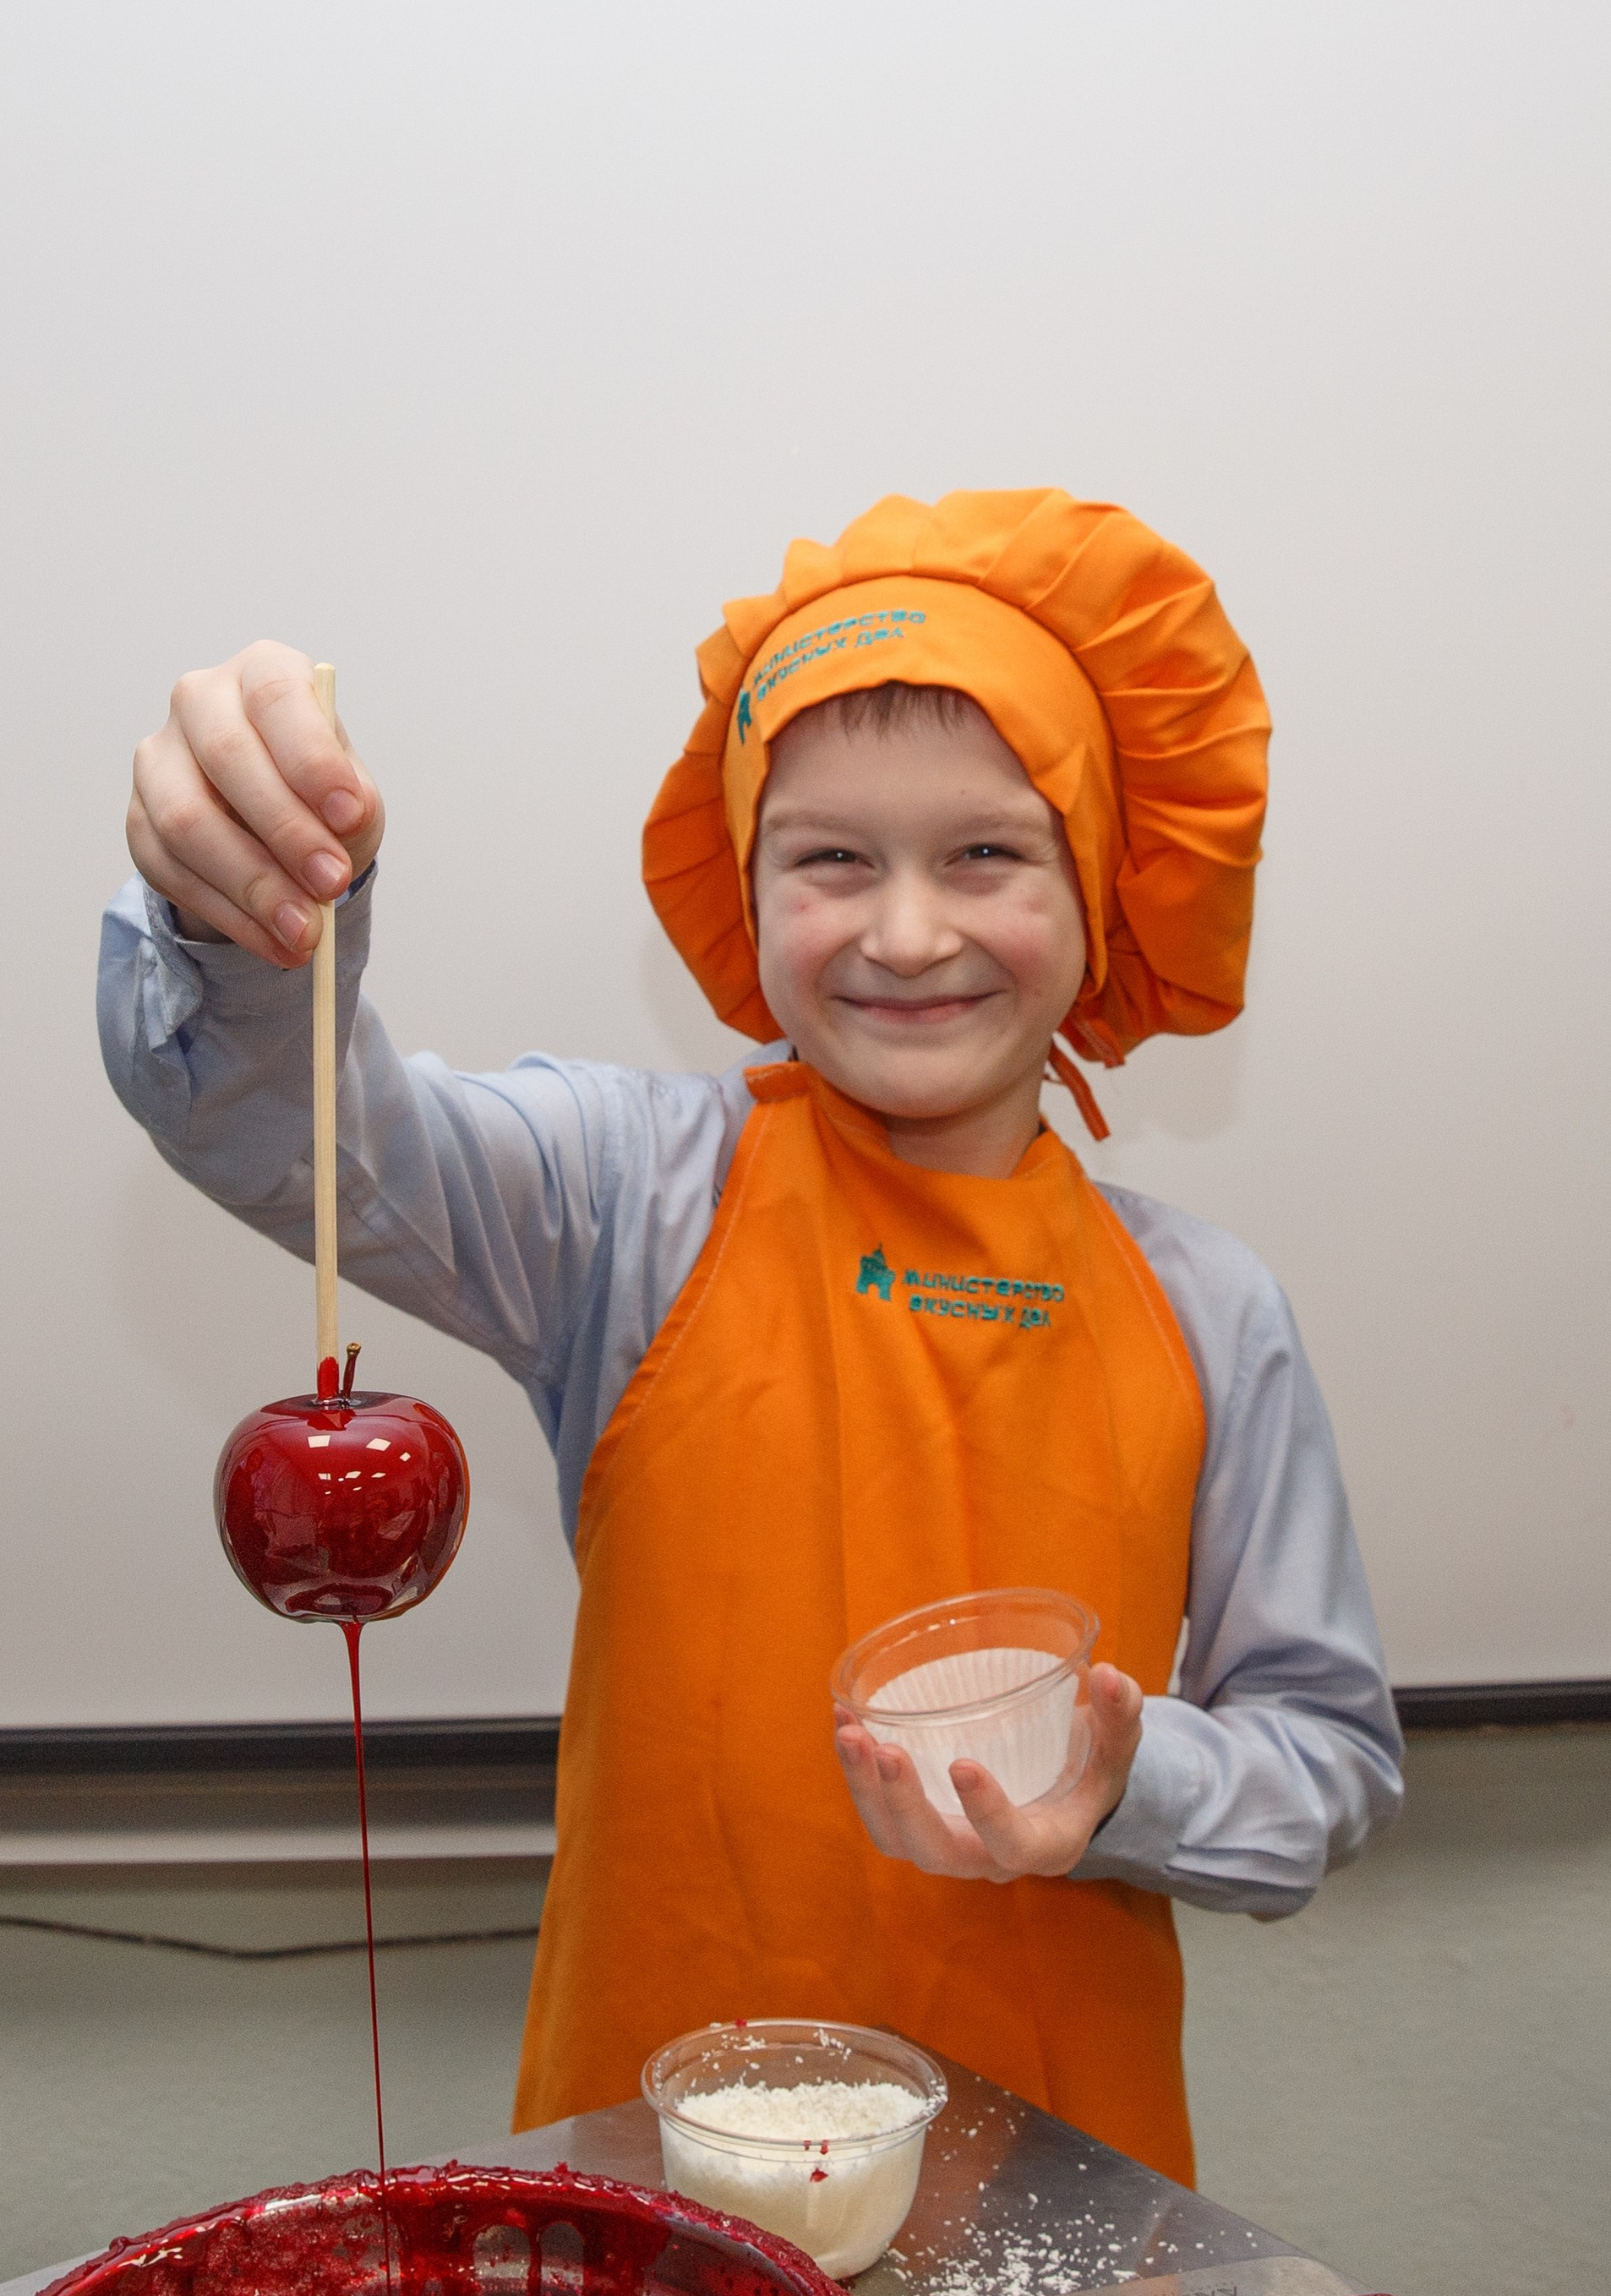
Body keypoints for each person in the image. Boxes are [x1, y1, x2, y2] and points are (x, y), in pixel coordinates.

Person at [101, 488, 1401, 2186]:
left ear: (1103, 890)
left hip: (1057, 2201)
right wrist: (233, 912)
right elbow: (292, 1130)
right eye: (832, 858)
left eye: (988, 852)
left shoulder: (1210, 1310)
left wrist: (1125, 1778)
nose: (908, 930)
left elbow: (1328, 1758)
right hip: (659, 2189)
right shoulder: (629, 1198)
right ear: (750, 881)